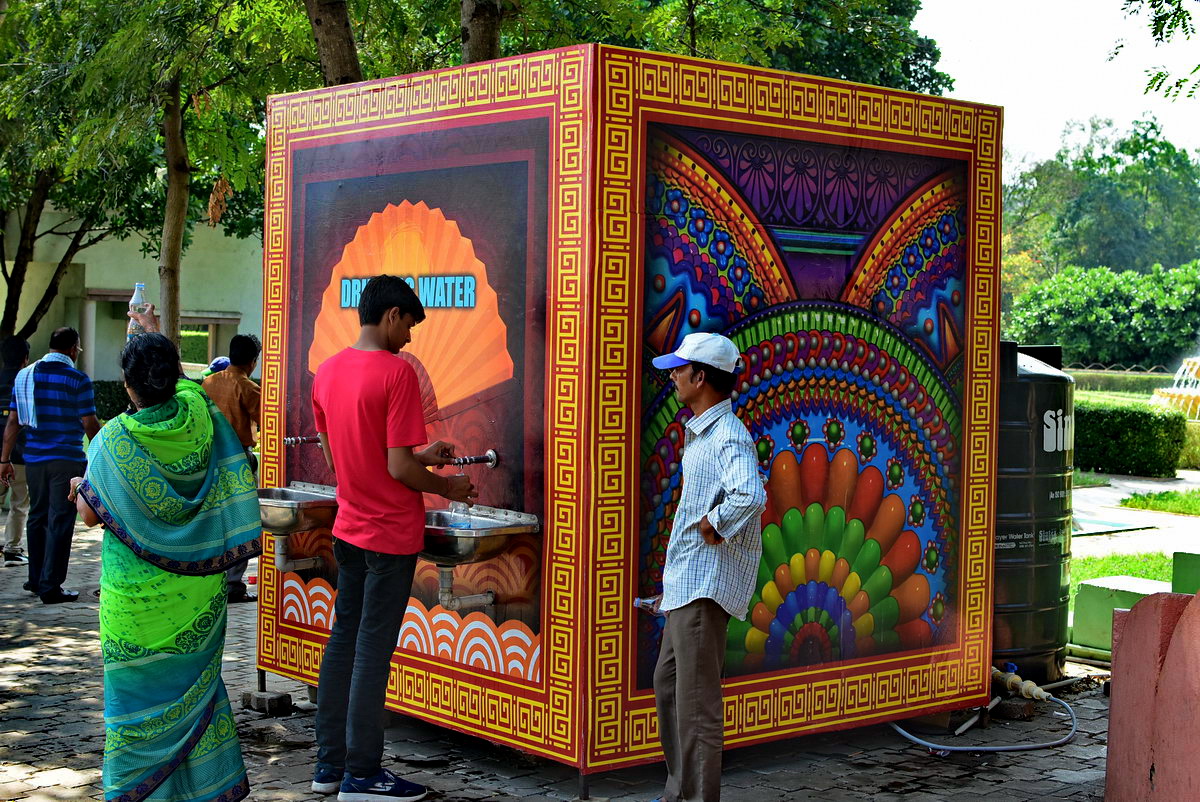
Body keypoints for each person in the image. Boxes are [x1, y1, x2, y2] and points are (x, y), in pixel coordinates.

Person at [72, 331, 262, 802]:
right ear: (175, 374)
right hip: (195, 601)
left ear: (126, 384)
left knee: (135, 707)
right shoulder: (200, 416)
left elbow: (91, 514)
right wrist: (153, 326)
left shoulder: (113, 441)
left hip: (133, 609)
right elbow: (185, 384)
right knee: (196, 692)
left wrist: (82, 487)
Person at [310, 275, 476, 802]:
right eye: (409, 325)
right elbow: (399, 468)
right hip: (388, 537)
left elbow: (342, 453)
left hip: (349, 529)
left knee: (342, 641)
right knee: (371, 652)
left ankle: (328, 768)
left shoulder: (327, 373)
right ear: (391, 316)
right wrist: (448, 484)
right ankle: (363, 776)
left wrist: (419, 457)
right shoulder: (396, 373)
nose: (409, 339)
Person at [648, 332, 766, 802]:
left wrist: (714, 526)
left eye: (680, 369)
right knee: (670, 685)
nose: (673, 375)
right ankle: (679, 791)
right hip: (688, 583)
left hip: (705, 586)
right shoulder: (706, 431)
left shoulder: (727, 434)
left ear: (701, 377)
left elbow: (750, 495)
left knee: (695, 704)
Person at [0, 327, 100, 603]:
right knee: (60, 520)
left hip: (33, 460)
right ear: (72, 349)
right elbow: (89, 423)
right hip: (66, 460)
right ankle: (51, 587)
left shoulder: (25, 376)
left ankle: (36, 579)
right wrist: (103, 451)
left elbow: (13, 422)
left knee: (38, 516)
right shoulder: (77, 379)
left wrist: (4, 460)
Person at [202, 333, 262, 603]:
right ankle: (233, 585)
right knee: (240, 522)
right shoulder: (248, 388)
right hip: (238, 461)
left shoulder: (208, 382)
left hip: (210, 460)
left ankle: (213, 578)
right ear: (252, 361)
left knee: (216, 520)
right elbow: (268, 422)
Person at [0, 337, 30, 568]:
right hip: (19, 454)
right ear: (25, 358)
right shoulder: (25, 382)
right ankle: (11, 550)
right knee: (19, 502)